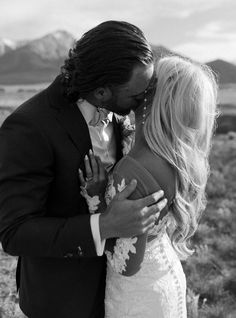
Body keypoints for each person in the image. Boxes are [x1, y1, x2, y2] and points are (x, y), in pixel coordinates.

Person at [0, 21, 167, 318]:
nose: (143, 102)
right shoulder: (29, 126)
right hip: (61, 300)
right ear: (102, 92)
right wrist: (105, 225)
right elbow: (15, 233)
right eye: (137, 96)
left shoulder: (119, 112)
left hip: (120, 292)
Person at [79, 56, 218, 317]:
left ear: (152, 100)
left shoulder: (132, 169)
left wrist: (95, 198)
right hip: (164, 274)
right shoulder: (174, 158)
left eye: (145, 86)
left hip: (137, 295)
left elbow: (125, 263)